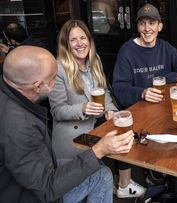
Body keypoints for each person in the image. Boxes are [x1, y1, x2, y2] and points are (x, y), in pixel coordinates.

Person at [0, 45, 134, 202]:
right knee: (101, 175)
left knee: (100, 171)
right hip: (28, 195)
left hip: (28, 174)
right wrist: (99, 150)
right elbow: (47, 189)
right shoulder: (20, 126)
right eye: (54, 77)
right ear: (37, 86)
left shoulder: (8, 97)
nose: (57, 81)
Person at [48, 19, 146, 199]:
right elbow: (57, 110)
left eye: (83, 38)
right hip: (70, 143)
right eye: (73, 40)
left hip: (91, 136)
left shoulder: (94, 62)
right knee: (99, 178)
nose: (80, 44)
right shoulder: (59, 68)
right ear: (65, 44)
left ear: (89, 40)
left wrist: (111, 111)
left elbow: (105, 94)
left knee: (103, 175)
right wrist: (83, 108)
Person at [112, 3, 177, 109]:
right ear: (138, 27)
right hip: (139, 108)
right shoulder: (127, 51)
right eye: (142, 24)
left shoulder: (165, 47)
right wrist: (142, 93)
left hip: (163, 105)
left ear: (159, 26)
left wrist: (165, 79)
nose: (147, 29)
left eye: (152, 23)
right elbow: (120, 89)